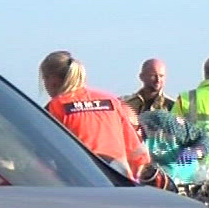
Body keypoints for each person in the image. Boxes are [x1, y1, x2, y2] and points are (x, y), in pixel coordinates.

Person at [38, 51, 152, 180]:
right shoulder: (111, 100)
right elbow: (139, 154)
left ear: (52, 80)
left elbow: (41, 158)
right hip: (120, 183)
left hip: (81, 185)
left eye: (44, 79)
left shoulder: (55, 107)